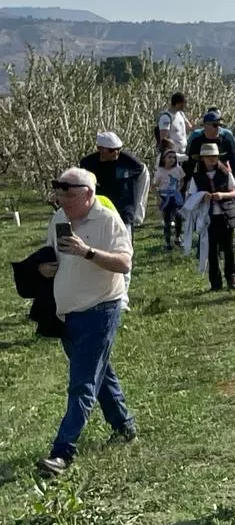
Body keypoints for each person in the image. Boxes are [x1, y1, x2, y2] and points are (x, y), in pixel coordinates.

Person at [35, 166, 137, 476]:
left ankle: (62, 453)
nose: (62, 198)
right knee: (100, 373)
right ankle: (124, 425)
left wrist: (87, 251)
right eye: (60, 192)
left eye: (69, 192)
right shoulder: (59, 219)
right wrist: (45, 268)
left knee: (82, 384)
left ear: (88, 194)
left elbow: (124, 262)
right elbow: (50, 254)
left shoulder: (107, 221)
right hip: (67, 312)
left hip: (100, 309)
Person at [194, 142, 235, 292]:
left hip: (225, 215)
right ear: (202, 159)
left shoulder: (225, 173)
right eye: (209, 157)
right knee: (211, 250)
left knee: (228, 249)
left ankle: (231, 277)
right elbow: (191, 196)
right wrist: (202, 197)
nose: (212, 159)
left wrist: (222, 195)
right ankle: (215, 282)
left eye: (214, 157)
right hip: (208, 218)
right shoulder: (197, 177)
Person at [80, 132, 148, 229]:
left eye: (119, 149)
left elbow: (143, 175)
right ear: (100, 149)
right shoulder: (88, 163)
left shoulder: (129, 161)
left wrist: (138, 209)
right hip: (99, 209)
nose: (117, 153)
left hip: (123, 210)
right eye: (112, 150)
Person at [184, 109, 235, 184]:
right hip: (202, 179)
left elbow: (233, 161)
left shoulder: (226, 141)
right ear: (206, 125)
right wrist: (188, 180)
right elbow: (191, 163)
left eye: (220, 125)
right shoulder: (197, 142)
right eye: (215, 125)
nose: (218, 128)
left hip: (223, 178)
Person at [153, 147, 184, 251]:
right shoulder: (160, 172)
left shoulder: (178, 169)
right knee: (167, 220)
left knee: (178, 216)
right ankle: (167, 242)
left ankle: (178, 237)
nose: (172, 159)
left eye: (174, 158)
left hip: (175, 196)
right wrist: (158, 198)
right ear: (163, 159)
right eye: (169, 157)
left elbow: (183, 180)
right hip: (165, 197)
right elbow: (153, 186)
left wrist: (178, 189)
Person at [156, 91, 189, 159]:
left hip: (183, 153)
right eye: (184, 103)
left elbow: (190, 127)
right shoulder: (166, 118)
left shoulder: (181, 114)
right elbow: (163, 139)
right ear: (178, 104)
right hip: (172, 156)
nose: (185, 106)